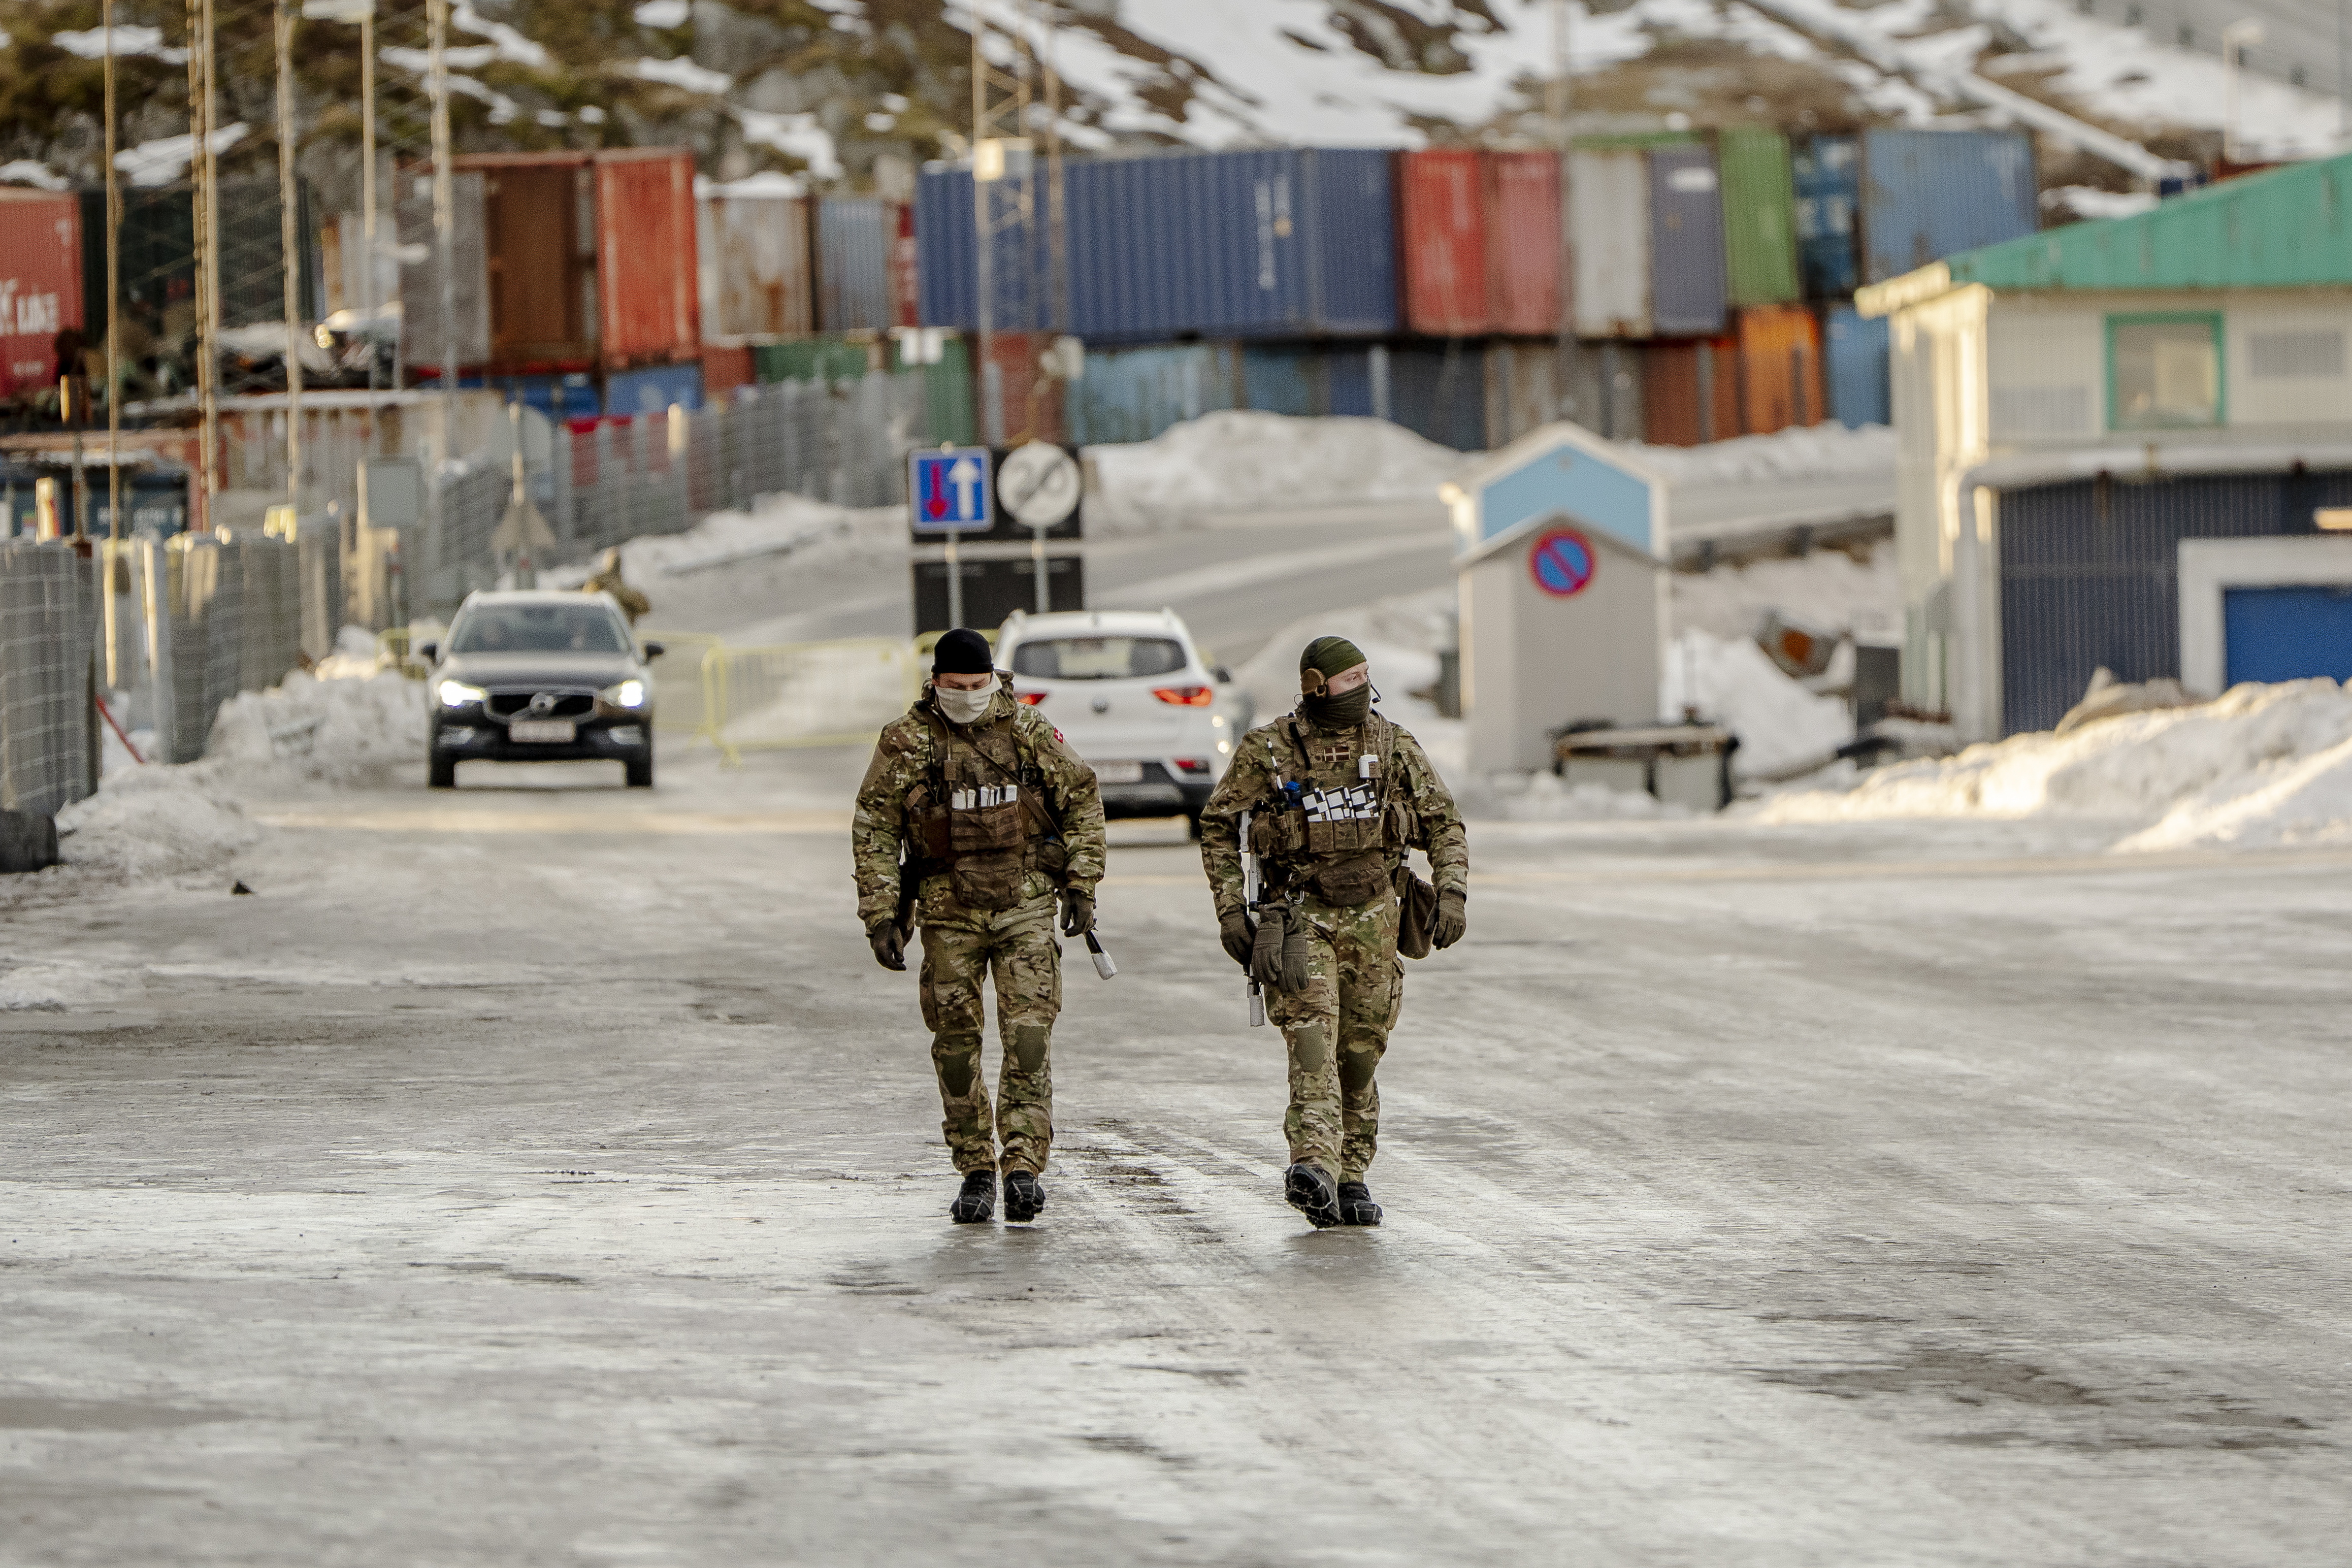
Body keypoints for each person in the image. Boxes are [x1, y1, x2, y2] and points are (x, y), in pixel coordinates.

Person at [1198, 636, 1468, 1229]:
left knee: (1359, 1053)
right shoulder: (1269, 751)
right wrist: (1229, 909)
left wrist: (1452, 891)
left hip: (1377, 916)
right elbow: (1219, 825)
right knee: (1313, 1044)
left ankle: (1351, 1176)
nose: (1363, 692)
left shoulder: (1393, 744)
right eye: (1351, 681)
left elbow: (1444, 820)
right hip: (1299, 917)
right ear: (1317, 686)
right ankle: (1313, 1166)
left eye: (1368, 678)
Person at [852, 628, 1107, 1224]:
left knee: (1028, 1040)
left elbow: (1083, 799)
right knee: (957, 1049)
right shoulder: (908, 740)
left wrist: (1081, 883)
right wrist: (881, 914)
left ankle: (1022, 1167)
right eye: (956, 686)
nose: (968, 696)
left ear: (993, 679)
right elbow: (875, 827)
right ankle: (974, 1167)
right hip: (947, 913)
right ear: (935, 681)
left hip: (1025, 906)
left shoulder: (1028, 731)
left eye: (978, 685)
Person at [581, 547, 650, 624]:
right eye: (613, 559)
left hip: (617, 627)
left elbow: (644, 608)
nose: (615, 562)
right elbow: (587, 601)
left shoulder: (621, 586)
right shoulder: (599, 580)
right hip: (598, 624)